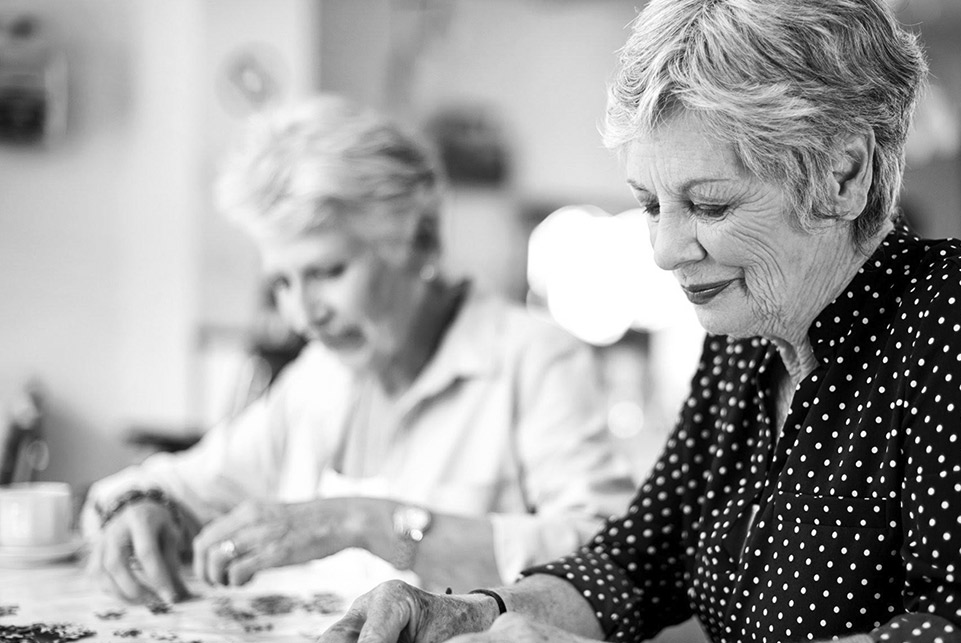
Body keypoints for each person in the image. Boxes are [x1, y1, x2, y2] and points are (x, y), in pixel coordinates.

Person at [315, 0, 961, 641]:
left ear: (843, 175)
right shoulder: (747, 337)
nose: (665, 250)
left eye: (711, 204)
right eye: (653, 203)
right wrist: (471, 613)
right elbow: (638, 557)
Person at [82, 96, 636, 605]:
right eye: (282, 282)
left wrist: (365, 523)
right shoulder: (318, 379)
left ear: (418, 244)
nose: (303, 314)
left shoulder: (534, 357)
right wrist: (141, 506)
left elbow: (610, 558)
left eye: (326, 272)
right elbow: (172, 483)